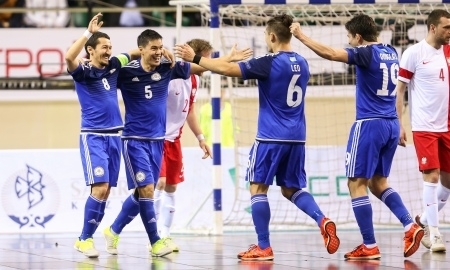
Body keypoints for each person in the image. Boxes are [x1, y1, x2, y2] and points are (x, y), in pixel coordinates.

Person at [175, 14, 340, 261]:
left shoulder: (269, 62)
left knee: (257, 188)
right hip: (297, 137)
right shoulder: (303, 62)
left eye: (265, 35)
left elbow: (228, 70)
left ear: (272, 37)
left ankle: (264, 246)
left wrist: (195, 59)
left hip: (271, 136)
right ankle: (322, 219)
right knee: (291, 189)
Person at [290, 14, 424, 259]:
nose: (348, 42)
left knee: (356, 184)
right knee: (378, 183)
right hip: (391, 124)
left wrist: (301, 36)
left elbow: (331, 54)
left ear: (359, 37)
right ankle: (409, 225)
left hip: (369, 125)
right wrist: (400, 123)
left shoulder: (365, 53)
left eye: (349, 37)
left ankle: (370, 245)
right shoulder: (391, 51)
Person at [102, 39, 252, 255]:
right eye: (208, 57)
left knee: (168, 187)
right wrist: (227, 59)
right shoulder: (171, 73)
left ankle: (154, 232)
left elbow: (188, 110)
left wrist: (200, 137)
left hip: (174, 140)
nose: (209, 63)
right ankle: (154, 239)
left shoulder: (194, 80)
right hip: (153, 138)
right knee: (154, 186)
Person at [65, 13, 140, 258]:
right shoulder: (83, 71)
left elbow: (134, 52)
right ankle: (84, 239)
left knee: (106, 190)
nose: (109, 51)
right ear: (91, 50)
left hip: (115, 136)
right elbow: (68, 57)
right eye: (104, 47)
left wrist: (162, 54)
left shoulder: (115, 65)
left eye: (110, 47)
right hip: (93, 136)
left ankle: (90, 237)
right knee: (100, 188)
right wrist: (88, 31)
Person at [395, 9, 450, 253]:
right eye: (446, 27)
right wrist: (399, 124)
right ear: (432, 27)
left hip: (447, 126)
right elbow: (400, 91)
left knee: (448, 183)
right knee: (432, 177)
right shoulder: (414, 53)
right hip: (424, 127)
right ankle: (435, 234)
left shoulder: (449, 52)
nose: (449, 31)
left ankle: (423, 222)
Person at [199, 78, 237, 147]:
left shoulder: (230, 108)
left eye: (222, 91)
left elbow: (235, 130)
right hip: (211, 146)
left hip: (229, 146)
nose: (219, 94)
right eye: (217, 91)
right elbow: (202, 131)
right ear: (210, 93)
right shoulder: (204, 110)